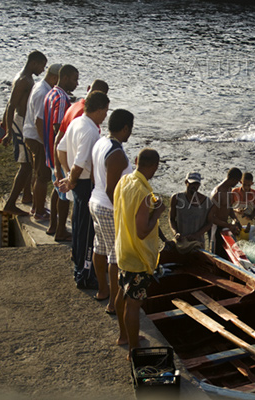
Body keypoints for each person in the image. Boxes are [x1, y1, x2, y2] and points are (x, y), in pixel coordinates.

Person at [113, 148, 165, 360]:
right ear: (154, 166)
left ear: (136, 161)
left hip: (123, 248)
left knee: (120, 294)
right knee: (133, 303)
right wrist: (158, 212)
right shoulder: (144, 193)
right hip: (138, 256)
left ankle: (124, 336)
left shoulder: (124, 181)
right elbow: (143, 231)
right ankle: (134, 349)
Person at [57, 91, 110, 290]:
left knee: (78, 227)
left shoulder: (76, 122)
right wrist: (71, 178)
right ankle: (86, 275)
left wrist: (67, 174)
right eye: (105, 111)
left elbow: (60, 150)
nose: (105, 115)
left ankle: (79, 267)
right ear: (98, 109)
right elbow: (80, 162)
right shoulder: (90, 130)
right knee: (88, 232)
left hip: (78, 183)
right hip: (85, 183)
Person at [87, 109, 134, 313]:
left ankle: (102, 290)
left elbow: (94, 178)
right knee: (115, 258)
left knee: (100, 248)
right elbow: (112, 190)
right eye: (130, 129)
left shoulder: (100, 143)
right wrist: (124, 213)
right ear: (125, 128)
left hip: (95, 201)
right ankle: (114, 303)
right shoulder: (117, 154)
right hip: (109, 207)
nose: (130, 133)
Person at [1, 50, 48, 216]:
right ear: (34, 63)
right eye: (42, 65)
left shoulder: (26, 78)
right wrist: (7, 130)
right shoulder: (23, 80)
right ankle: (11, 203)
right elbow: (11, 105)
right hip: (19, 123)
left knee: (29, 161)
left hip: (21, 122)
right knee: (26, 165)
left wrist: (4, 124)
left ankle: (27, 196)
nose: (43, 70)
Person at [42, 64, 79, 243]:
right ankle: (61, 230)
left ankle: (53, 224)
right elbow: (59, 130)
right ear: (64, 78)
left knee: (57, 190)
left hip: (49, 152)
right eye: (74, 79)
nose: (76, 83)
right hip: (58, 154)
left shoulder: (50, 94)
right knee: (64, 194)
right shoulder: (62, 99)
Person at [23, 63, 61, 226]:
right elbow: (40, 121)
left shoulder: (40, 86)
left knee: (38, 173)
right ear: (53, 77)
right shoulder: (43, 92)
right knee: (43, 176)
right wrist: (47, 145)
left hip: (31, 135)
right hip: (36, 137)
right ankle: (39, 212)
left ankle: (37, 207)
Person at [169, 172, 212, 249]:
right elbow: (171, 219)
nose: (194, 186)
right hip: (180, 242)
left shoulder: (207, 202)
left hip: (197, 243)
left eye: (196, 184)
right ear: (186, 182)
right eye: (192, 183)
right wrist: (175, 233)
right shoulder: (176, 198)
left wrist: (196, 235)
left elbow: (209, 223)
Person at [208, 167, 243, 256]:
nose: (237, 184)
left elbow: (229, 207)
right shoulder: (218, 193)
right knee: (215, 255)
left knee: (225, 254)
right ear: (233, 179)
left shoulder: (228, 189)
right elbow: (210, 217)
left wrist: (235, 219)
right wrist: (228, 225)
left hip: (224, 225)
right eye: (237, 181)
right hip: (215, 228)